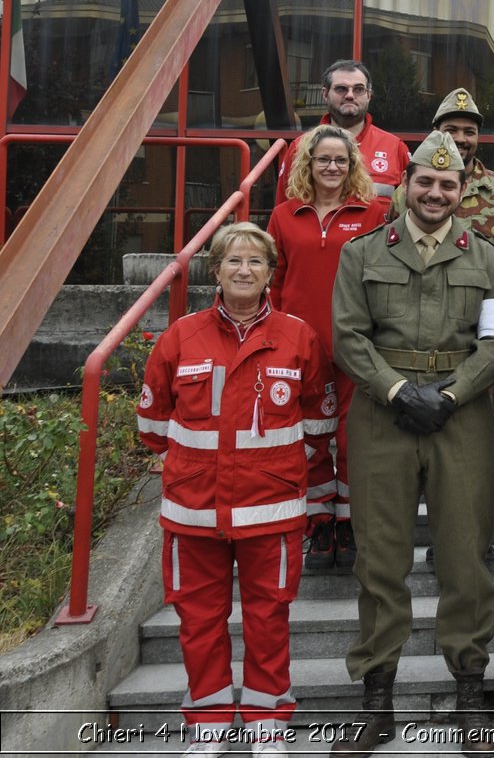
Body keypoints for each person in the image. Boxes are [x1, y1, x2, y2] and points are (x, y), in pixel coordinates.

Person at [328, 131, 494, 757]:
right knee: (381, 560)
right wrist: (398, 391)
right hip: (383, 418)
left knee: (466, 556)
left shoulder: (489, 260)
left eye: (449, 183)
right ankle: (377, 701)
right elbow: (349, 338)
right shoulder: (362, 254)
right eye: (425, 182)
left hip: (459, 418)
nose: (436, 193)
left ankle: (469, 696)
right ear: (407, 184)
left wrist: (451, 396)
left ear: (464, 191)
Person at [138, 222, 336, 758]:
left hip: (271, 511)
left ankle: (268, 723)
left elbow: (318, 421)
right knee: (198, 620)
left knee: (268, 619)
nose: (244, 270)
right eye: (233, 261)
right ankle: (209, 722)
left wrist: (291, 479)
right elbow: (153, 424)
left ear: (272, 273)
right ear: (216, 271)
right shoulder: (181, 335)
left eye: (255, 262)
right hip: (194, 512)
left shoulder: (299, 336)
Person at [395, 88, 494, 493]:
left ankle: (486, 499)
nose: (461, 138)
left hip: (488, 324)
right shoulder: (408, 193)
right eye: (451, 129)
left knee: (492, 411)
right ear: (436, 132)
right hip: (428, 323)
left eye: (469, 131)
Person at [266, 124, 386, 572]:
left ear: (352, 164)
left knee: (352, 436)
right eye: (323, 159)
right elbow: (273, 281)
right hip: (299, 346)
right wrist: (272, 334)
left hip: (355, 343)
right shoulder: (283, 215)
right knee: (310, 438)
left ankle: (349, 521)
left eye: (340, 159)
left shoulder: (374, 212)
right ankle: (318, 521)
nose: (332, 166)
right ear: (308, 164)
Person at [274, 60, 409, 215]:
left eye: (358, 89)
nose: (350, 95)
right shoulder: (300, 148)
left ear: (369, 95)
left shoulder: (395, 147)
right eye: (341, 89)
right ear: (325, 94)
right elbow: (283, 210)